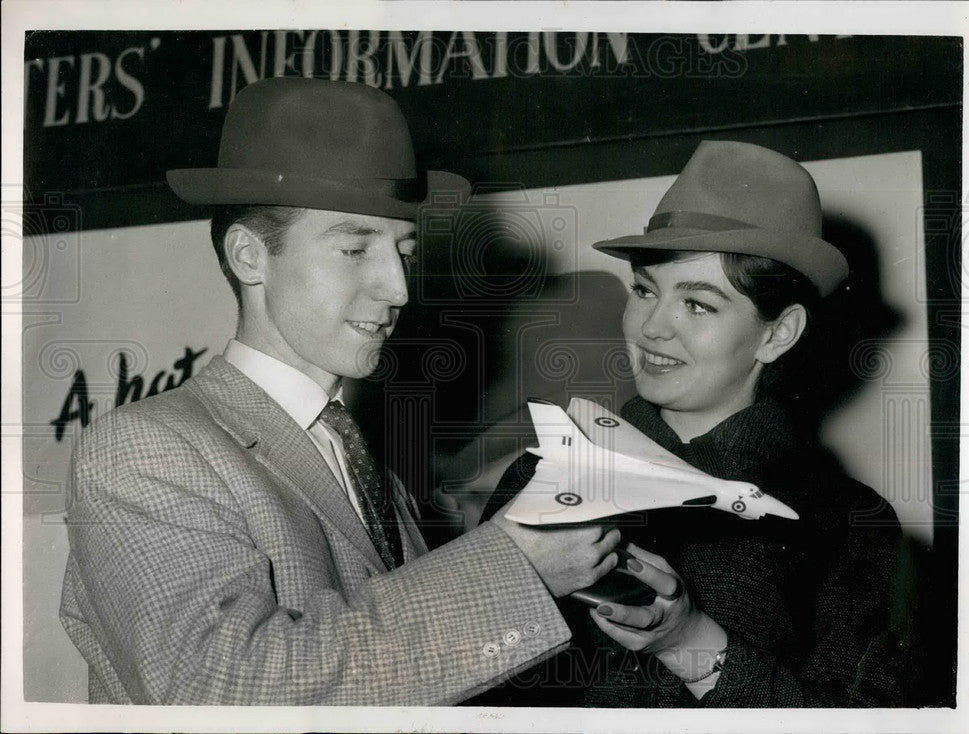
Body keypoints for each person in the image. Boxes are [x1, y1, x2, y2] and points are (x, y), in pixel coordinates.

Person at [58, 77, 623, 706]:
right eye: (355, 249)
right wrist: (514, 571)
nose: (398, 289)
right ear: (249, 257)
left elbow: (394, 677)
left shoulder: (365, 460)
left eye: (404, 251)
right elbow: (219, 689)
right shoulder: (144, 449)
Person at [476, 141, 908, 707]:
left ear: (778, 333)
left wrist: (689, 642)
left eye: (697, 304)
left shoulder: (848, 521)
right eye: (644, 291)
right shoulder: (541, 476)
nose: (651, 327)